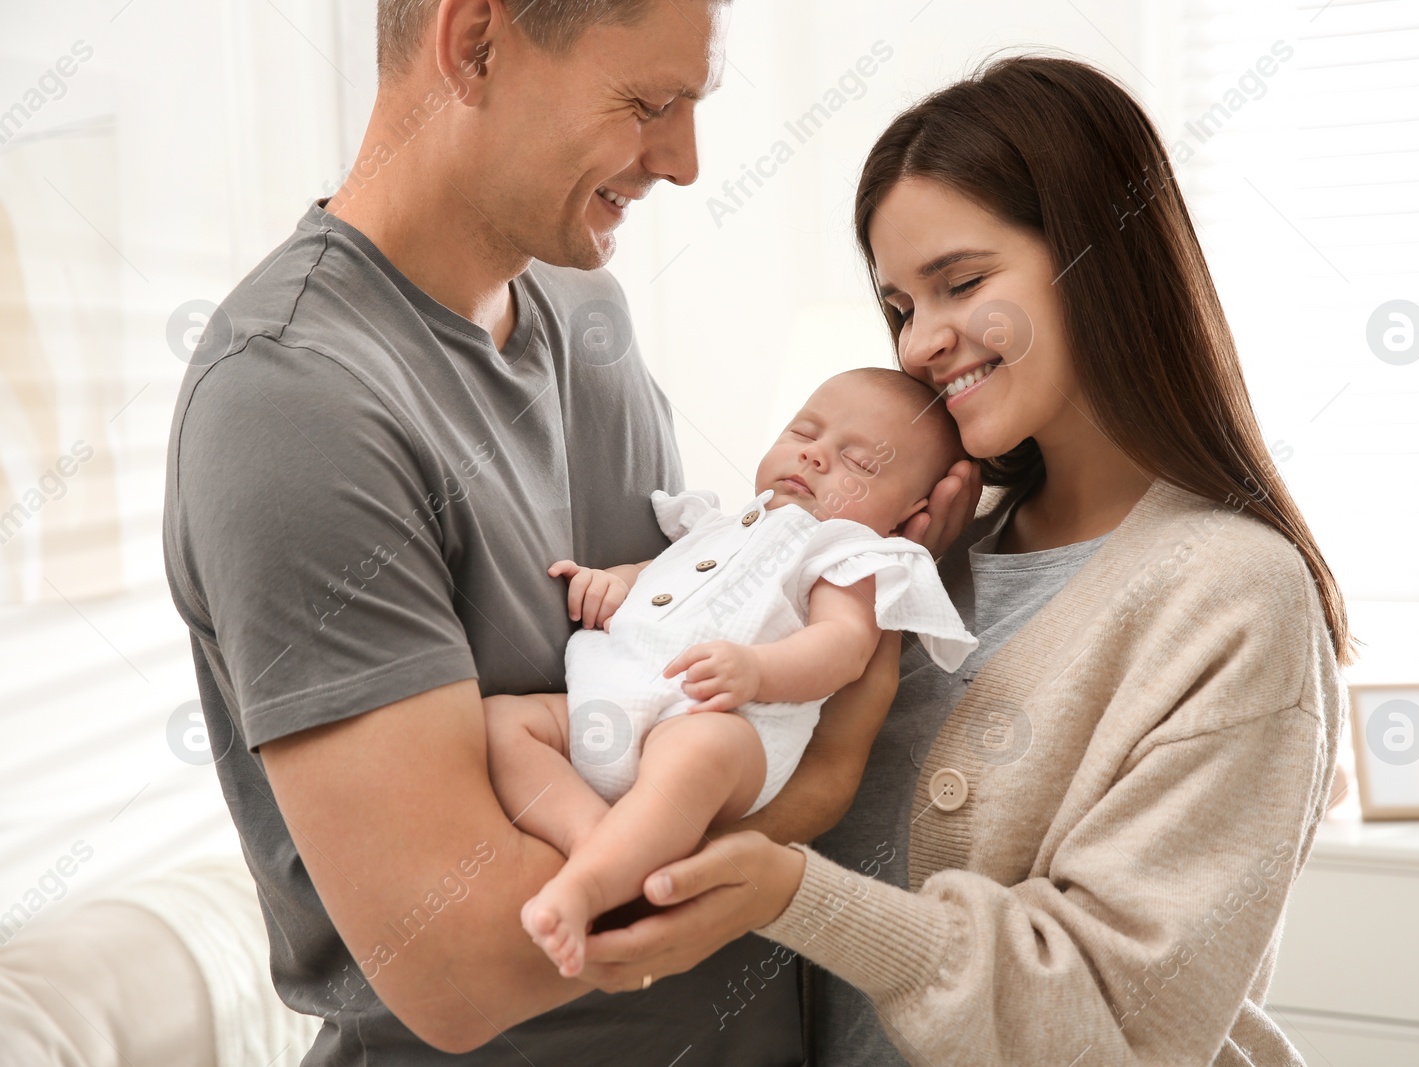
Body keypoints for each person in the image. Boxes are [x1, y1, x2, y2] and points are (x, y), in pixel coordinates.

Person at [163, 1, 970, 1061]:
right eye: (648, 102)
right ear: (474, 42)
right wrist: (810, 791)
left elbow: (667, 683)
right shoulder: (293, 398)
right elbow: (458, 963)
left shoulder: (585, 311)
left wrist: (875, 618)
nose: (683, 163)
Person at [570, 55, 1351, 1067]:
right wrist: (889, 601)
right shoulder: (921, 561)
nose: (918, 345)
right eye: (899, 306)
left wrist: (788, 891)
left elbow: (1121, 1019)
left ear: (1098, 256)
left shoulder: (1232, 596)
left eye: (961, 283)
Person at [486, 369, 978, 978]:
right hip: (609, 696)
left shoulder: (849, 553)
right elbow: (659, 572)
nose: (815, 456)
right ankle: (594, 840)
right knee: (506, 723)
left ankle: (586, 887)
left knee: (700, 752)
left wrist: (756, 669)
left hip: (723, 719)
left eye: (859, 463)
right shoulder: (723, 523)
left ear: (910, 513)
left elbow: (842, 645)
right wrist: (612, 582)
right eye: (805, 431)